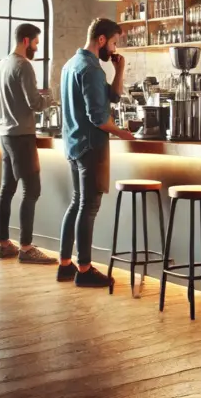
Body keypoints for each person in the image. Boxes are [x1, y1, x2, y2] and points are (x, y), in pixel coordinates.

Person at [57, 18, 136, 287]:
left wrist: (119, 69)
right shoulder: (90, 69)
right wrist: (123, 133)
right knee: (88, 208)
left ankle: (65, 265)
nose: (114, 49)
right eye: (113, 42)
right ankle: (85, 269)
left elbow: (112, 97)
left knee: (77, 204)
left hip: (73, 143)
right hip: (91, 146)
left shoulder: (71, 65)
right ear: (101, 39)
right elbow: (99, 118)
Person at [0, 23, 55, 264]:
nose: (36, 48)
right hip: (22, 136)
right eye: (36, 43)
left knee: (6, 190)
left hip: (4, 135)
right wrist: (49, 98)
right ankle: (26, 248)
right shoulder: (23, 66)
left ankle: (5, 243)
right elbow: (35, 103)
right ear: (26, 41)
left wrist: (6, 120)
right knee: (32, 190)